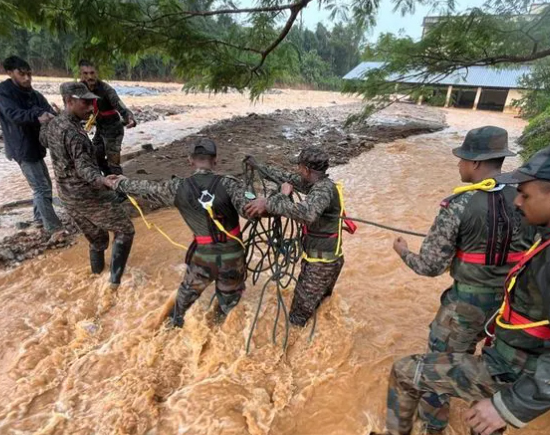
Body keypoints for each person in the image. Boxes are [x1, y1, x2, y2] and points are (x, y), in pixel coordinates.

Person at [369, 142, 550, 435]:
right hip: (511, 354)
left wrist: (511, 406)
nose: (517, 201)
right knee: (484, 414)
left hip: (512, 367)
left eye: (525, 194)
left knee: (406, 371)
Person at [391, 126, 535, 435]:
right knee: (491, 370)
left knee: (440, 365)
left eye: (462, 159)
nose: (459, 165)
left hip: (466, 306)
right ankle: (486, 430)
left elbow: (430, 266)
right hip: (512, 309)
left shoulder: (457, 205)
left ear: (476, 163)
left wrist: (403, 251)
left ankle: (433, 426)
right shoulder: (526, 200)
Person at [111, 138, 248, 327]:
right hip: (232, 256)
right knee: (229, 303)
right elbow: (251, 209)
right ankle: (218, 328)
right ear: (215, 160)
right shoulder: (231, 185)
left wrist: (120, 183)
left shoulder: (177, 188)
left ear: (190, 160)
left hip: (203, 256)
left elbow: (146, 189)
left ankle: (171, 327)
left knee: (185, 297)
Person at [244, 147, 352, 328]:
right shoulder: (317, 184)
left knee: (297, 318)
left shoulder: (323, 191)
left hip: (320, 266)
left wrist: (274, 200)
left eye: (300, 167)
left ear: (307, 170)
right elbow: (287, 178)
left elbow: (306, 214)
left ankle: (291, 353)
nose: (298, 171)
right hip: (325, 261)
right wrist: (259, 167)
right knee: (320, 307)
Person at [41, 82, 135, 287]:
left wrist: (45, 120)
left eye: (92, 102)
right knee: (125, 230)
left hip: (66, 195)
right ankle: (114, 282)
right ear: (69, 101)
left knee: (98, 240)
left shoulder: (53, 124)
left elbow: (44, 141)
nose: (91, 107)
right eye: (85, 103)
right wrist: (103, 179)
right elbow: (84, 168)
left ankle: (96, 279)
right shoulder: (75, 134)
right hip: (86, 194)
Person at [0, 56, 62, 233]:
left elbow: (47, 110)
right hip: (21, 146)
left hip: (37, 145)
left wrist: (54, 114)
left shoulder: (35, 94)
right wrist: (37, 116)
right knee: (41, 187)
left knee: (44, 184)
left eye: (29, 74)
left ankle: (39, 219)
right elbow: (13, 115)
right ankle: (53, 228)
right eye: (21, 74)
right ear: (10, 73)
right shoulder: (2, 92)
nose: (26, 78)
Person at [78, 59, 136, 175]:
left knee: (113, 164)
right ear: (81, 74)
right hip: (100, 127)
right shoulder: (80, 88)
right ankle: (108, 180)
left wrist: (129, 117)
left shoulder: (106, 90)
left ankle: (120, 191)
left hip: (113, 129)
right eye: (85, 73)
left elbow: (120, 106)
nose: (90, 77)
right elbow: (73, 105)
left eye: (92, 73)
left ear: (97, 73)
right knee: (95, 157)